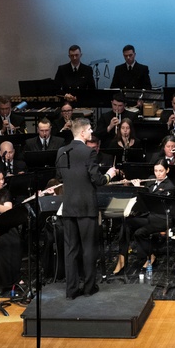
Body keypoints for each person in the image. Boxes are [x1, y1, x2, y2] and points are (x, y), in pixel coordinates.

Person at [54, 118, 119, 299]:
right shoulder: (89, 153)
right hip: (86, 207)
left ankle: (71, 290)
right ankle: (89, 287)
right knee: (89, 248)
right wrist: (109, 175)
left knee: (71, 250)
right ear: (82, 133)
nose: (91, 132)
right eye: (90, 130)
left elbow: (59, 176)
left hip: (68, 207)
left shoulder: (61, 151)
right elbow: (97, 180)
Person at [111, 160, 175, 275]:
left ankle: (124, 259)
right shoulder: (151, 180)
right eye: (156, 171)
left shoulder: (169, 186)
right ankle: (124, 257)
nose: (158, 174)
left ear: (167, 170)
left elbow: (153, 202)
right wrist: (129, 186)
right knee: (133, 230)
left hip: (162, 218)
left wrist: (139, 189)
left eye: (161, 171)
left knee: (128, 224)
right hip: (148, 217)